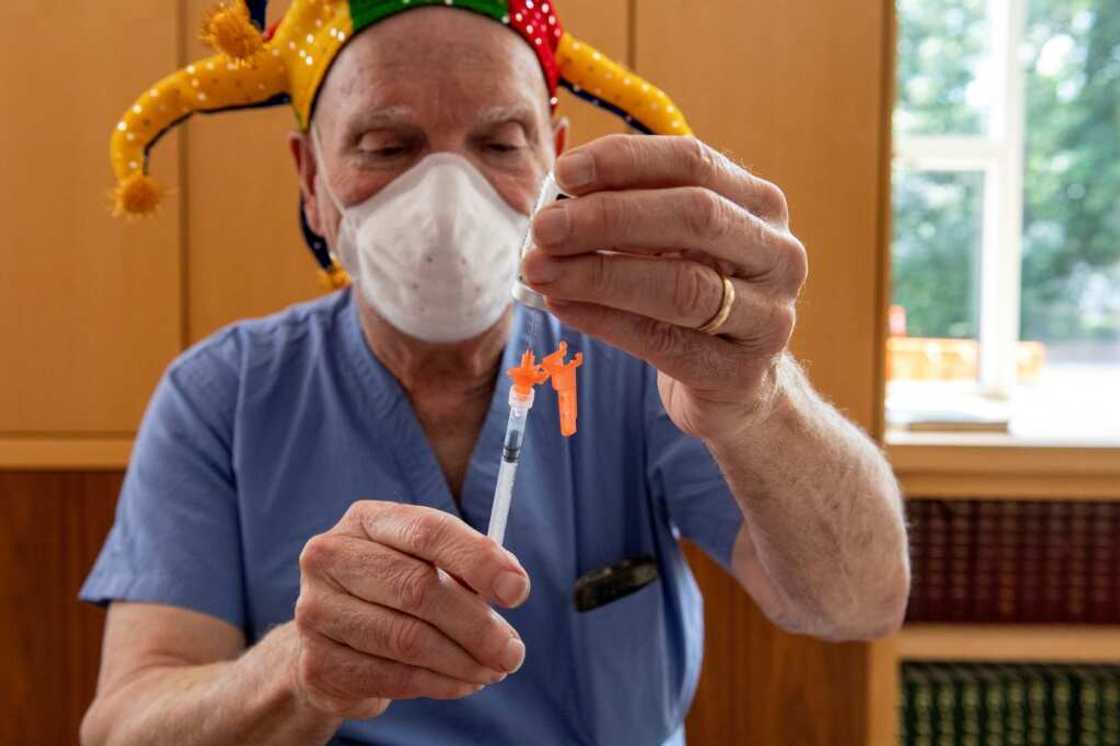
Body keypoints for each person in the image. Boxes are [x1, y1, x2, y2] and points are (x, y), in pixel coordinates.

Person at [81, 1, 910, 744]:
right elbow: (126, 726)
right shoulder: (224, 398)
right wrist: (301, 668)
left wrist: (755, 395)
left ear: (554, 159)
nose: (447, 194)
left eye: (499, 143)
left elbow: (858, 602)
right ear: (312, 182)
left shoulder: (644, 364)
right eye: (388, 145)